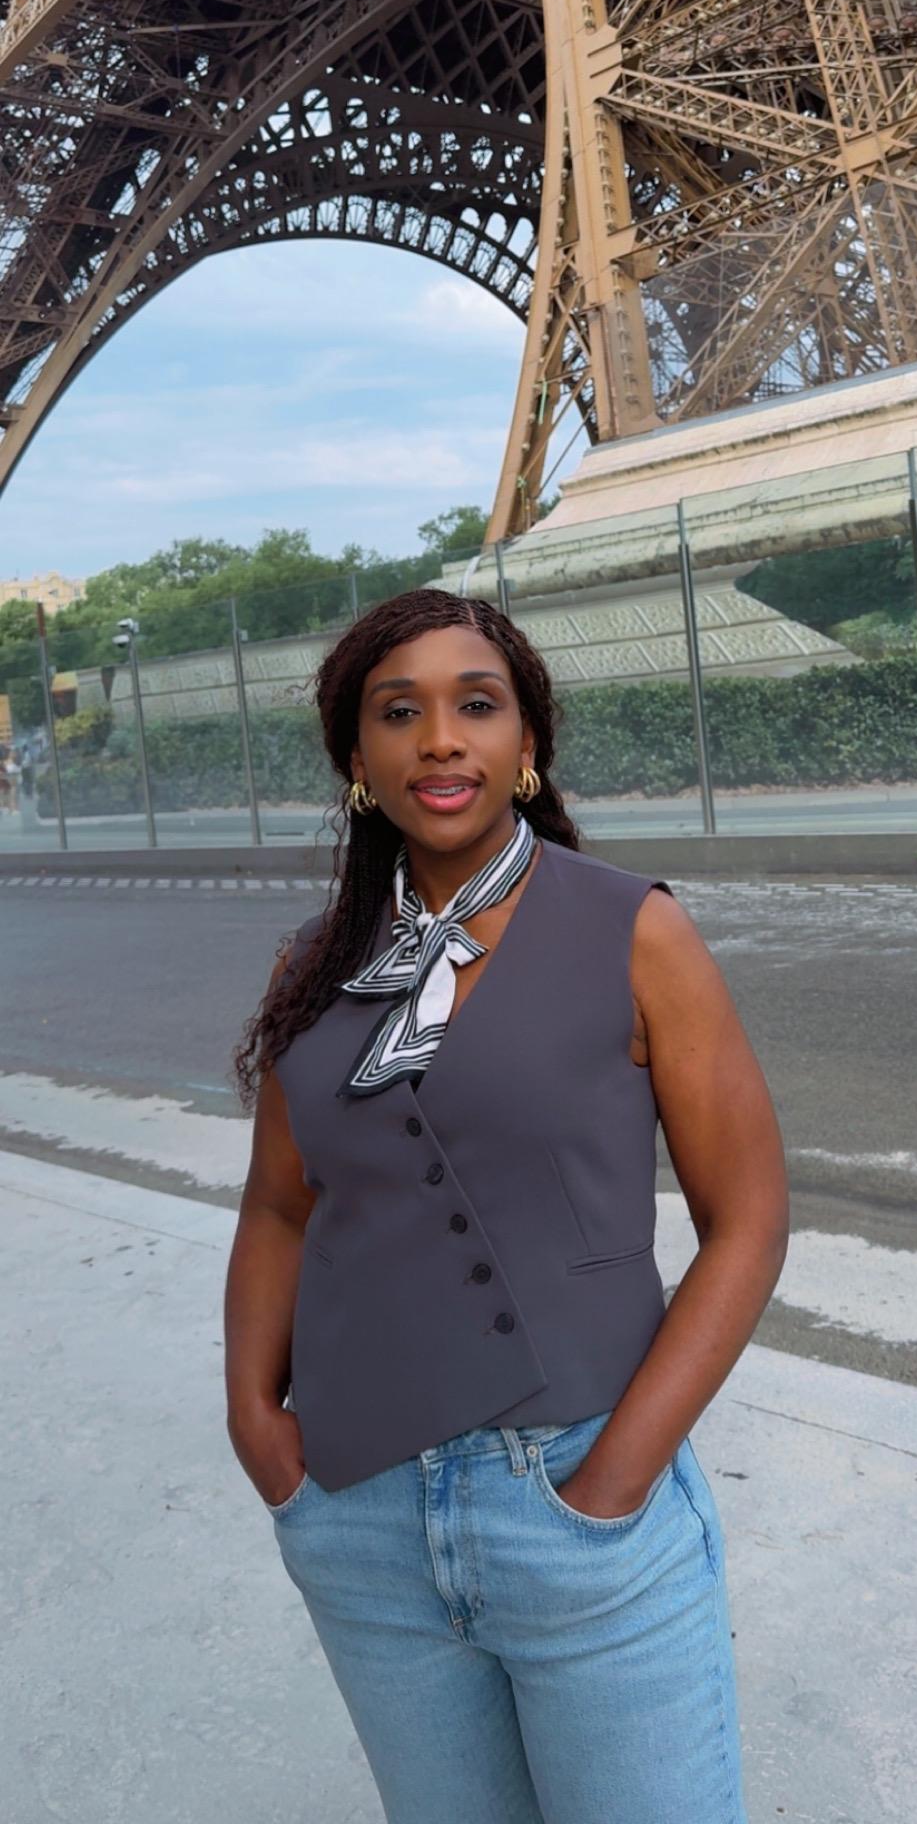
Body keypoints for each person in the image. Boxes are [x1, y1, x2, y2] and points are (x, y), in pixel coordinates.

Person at [224, 586, 789, 1824]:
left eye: (475, 706)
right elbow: (279, 1207)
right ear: (356, 759)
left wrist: (618, 1481)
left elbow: (748, 1219)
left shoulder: (636, 931)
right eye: (398, 713)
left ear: (526, 742)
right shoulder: (313, 966)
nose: (440, 740)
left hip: (577, 1501)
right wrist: (256, 1422)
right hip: (361, 1516)